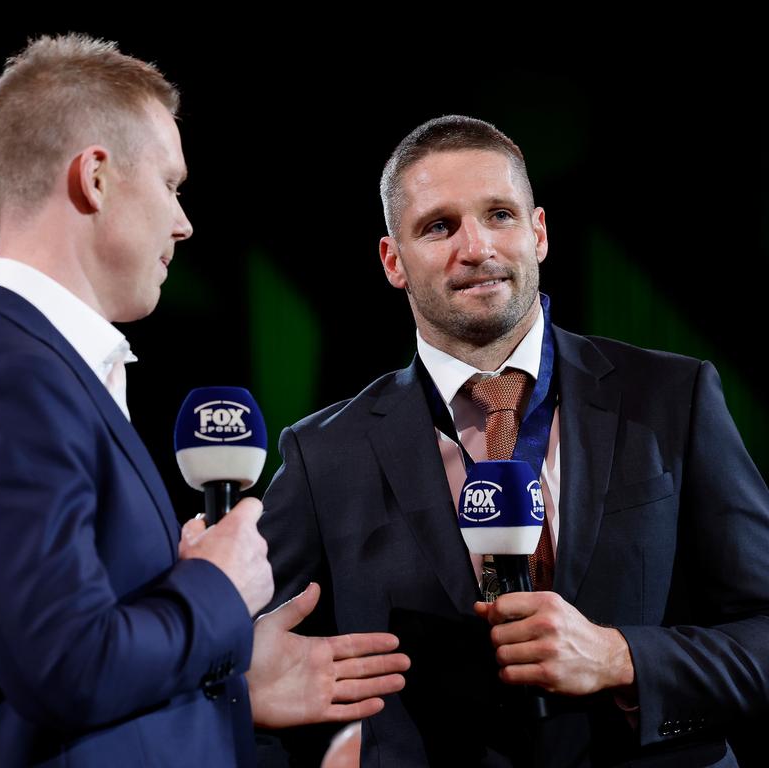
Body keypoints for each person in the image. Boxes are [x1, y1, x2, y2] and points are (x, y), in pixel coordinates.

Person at [0, 34, 407, 768]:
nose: (183, 223)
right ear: (95, 176)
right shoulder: (5, 383)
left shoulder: (25, 367)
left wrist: (230, 675)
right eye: (172, 184)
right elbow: (68, 669)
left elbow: (57, 670)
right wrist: (217, 588)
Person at [256, 115, 769, 767]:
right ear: (393, 261)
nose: (477, 247)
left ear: (540, 232)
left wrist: (622, 657)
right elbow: (255, 679)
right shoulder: (322, 452)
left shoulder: (674, 397)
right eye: (439, 226)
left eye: (499, 214)